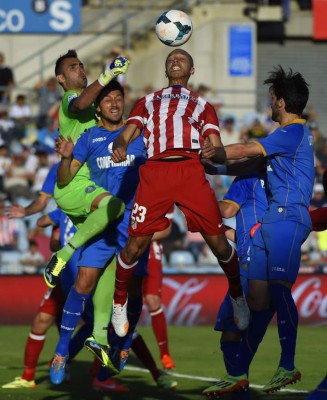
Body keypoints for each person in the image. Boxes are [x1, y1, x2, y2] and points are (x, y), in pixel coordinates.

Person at [110, 48, 249, 338]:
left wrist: (216, 151)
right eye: (171, 59)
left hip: (190, 170)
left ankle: (237, 295)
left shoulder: (203, 105)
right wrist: (119, 144)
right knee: (135, 245)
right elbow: (128, 132)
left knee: (219, 244)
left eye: (182, 59)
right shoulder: (146, 102)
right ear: (165, 70)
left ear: (191, 71)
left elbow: (219, 151)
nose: (175, 61)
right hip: (156, 173)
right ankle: (118, 300)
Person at [201, 65, 314, 396]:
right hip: (270, 222)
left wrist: (216, 152)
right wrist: (204, 161)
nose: (269, 105)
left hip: (288, 217)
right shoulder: (286, 140)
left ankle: (287, 363)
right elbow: (240, 161)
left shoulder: (290, 132)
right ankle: (238, 373)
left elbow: (248, 149)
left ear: (279, 102)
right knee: (260, 300)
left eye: (271, 100)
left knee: (279, 290)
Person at [48, 79, 148, 383]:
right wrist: (66, 157)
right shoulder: (90, 138)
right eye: (108, 100)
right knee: (84, 283)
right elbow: (65, 180)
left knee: (133, 290)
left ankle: (122, 344)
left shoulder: (140, 134)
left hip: (133, 225)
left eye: (119, 98)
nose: (115, 104)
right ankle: (62, 352)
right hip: (104, 224)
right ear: (98, 107)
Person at [43, 49, 130, 289]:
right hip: (73, 183)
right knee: (115, 206)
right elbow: (81, 102)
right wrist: (109, 72)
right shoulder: (69, 99)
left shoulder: (95, 107)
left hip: (90, 186)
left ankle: (98, 328)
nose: (80, 69)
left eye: (81, 65)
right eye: (73, 67)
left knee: (103, 266)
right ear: (60, 78)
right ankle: (63, 254)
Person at [143, 207, 176, 370]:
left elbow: (166, 230)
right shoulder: (126, 187)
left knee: (152, 300)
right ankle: (101, 360)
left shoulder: (166, 197)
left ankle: (165, 353)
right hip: (125, 251)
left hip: (151, 255)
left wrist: (138, 236)